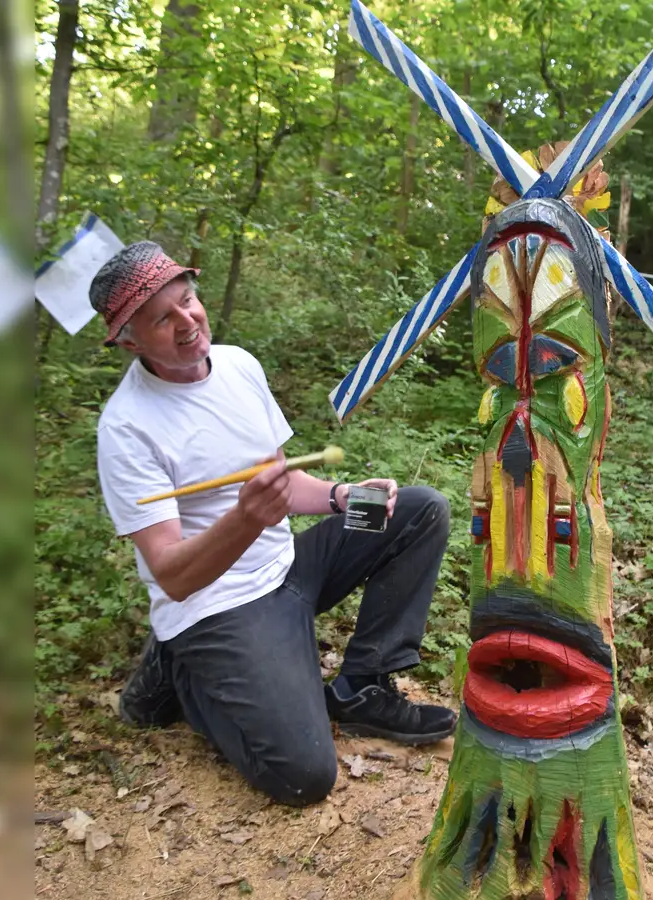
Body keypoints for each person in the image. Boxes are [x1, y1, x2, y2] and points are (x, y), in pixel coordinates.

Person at [92, 242, 457, 808]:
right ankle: (181, 669)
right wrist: (244, 519)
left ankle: (364, 688)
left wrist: (344, 498)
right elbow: (173, 575)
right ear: (129, 341)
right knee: (304, 775)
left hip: (290, 569)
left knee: (418, 510)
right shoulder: (126, 428)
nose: (187, 321)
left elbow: (280, 486)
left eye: (188, 301)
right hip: (218, 606)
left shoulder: (238, 365)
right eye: (163, 318)